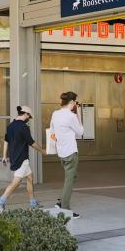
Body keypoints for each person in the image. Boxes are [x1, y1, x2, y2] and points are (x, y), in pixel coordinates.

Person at [0, 105, 46, 213]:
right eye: (29, 116)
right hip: (22, 158)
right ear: (26, 114)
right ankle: (1, 201)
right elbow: (31, 143)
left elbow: (6, 141)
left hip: (14, 157)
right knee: (16, 182)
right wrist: (42, 151)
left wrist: (4, 156)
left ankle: (32, 203)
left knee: (30, 177)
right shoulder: (24, 127)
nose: (28, 119)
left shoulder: (10, 126)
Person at [50, 91, 83, 219]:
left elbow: (52, 130)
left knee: (73, 177)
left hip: (62, 153)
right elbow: (80, 132)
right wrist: (78, 114)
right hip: (71, 152)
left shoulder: (55, 114)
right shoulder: (71, 116)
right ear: (72, 102)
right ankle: (65, 208)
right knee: (70, 180)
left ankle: (60, 201)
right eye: (75, 103)